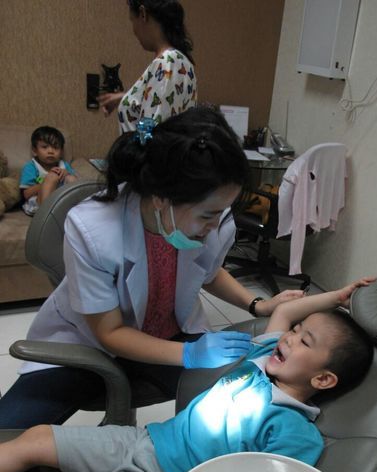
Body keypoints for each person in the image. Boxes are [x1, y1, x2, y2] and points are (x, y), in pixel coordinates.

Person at [0, 279, 374, 472]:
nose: (289, 337)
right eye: (295, 331)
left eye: (304, 341)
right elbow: (285, 311)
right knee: (36, 437)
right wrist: (339, 296)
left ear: (323, 379)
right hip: (144, 439)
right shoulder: (262, 357)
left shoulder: (296, 433)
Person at [0, 107, 303, 429]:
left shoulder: (215, 218)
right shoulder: (93, 229)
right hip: (89, 342)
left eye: (222, 212)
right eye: (207, 215)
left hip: (172, 333)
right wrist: (189, 355)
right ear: (161, 198)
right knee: (7, 431)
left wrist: (257, 305)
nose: (216, 225)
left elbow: (209, 271)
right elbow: (110, 332)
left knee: (248, 397)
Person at [98, 0, 197, 133]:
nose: (134, 31)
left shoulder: (166, 63)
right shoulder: (180, 61)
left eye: (132, 20)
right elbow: (164, 109)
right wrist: (126, 98)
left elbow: (149, 133)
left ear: (143, 14)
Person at [19, 126, 77, 216]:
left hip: (59, 202)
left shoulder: (64, 165)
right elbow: (26, 194)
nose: (50, 151)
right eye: (45, 147)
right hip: (38, 204)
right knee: (52, 177)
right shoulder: (31, 167)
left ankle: (74, 212)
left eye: (55, 147)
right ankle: (45, 215)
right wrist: (46, 182)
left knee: (71, 178)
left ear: (61, 152)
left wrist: (67, 173)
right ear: (35, 151)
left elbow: (76, 185)